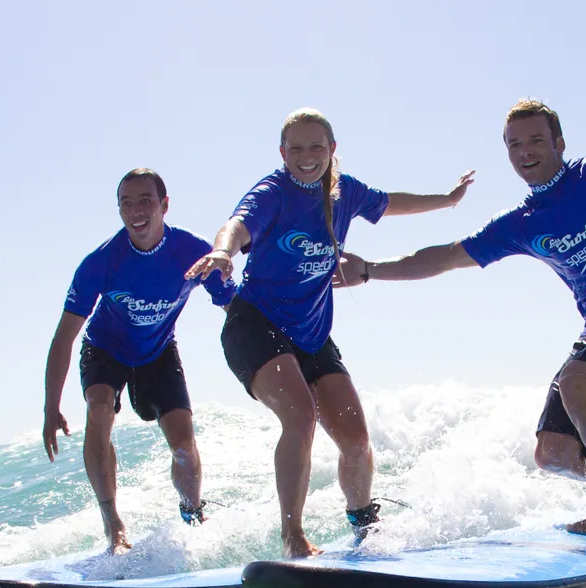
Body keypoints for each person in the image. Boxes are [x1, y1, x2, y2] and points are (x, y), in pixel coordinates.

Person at [332, 32, 586, 535]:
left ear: (559, 143)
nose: (524, 151)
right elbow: (443, 258)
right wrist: (370, 270)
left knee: (577, 385)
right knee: (553, 454)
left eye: (535, 140)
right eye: (514, 144)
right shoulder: (521, 223)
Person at [185, 108, 475, 558]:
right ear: (282, 153)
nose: (307, 157)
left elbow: (391, 202)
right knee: (300, 417)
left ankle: (364, 524)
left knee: (356, 440)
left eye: (316, 147)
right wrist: (223, 251)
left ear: (332, 149)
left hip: (312, 333)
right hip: (255, 324)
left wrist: (448, 199)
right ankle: (293, 537)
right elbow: (237, 224)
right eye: (296, 148)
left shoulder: (345, 191)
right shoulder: (272, 192)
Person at [43, 168, 237, 553]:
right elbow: (64, 337)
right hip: (105, 348)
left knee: (183, 445)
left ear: (164, 205)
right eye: (126, 203)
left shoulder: (191, 252)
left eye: (145, 200)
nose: (135, 210)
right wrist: (51, 407)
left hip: (159, 351)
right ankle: (112, 523)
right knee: (99, 410)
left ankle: (192, 511)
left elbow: (236, 307)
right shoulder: (101, 262)